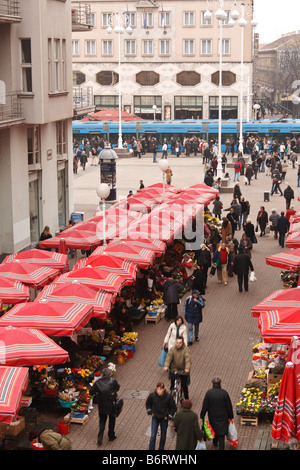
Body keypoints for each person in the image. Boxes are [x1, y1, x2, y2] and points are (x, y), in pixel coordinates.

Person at [200, 377, 234, 451]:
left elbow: (205, 405)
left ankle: (215, 442)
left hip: (213, 415)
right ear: (220, 384)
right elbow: (229, 406)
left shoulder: (209, 393)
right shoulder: (224, 393)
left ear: (213, 384)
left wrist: (202, 415)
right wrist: (231, 416)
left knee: (214, 428)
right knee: (221, 432)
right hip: (223, 416)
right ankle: (221, 447)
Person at [90, 368, 120, 446]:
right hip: (111, 404)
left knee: (102, 421)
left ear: (102, 374)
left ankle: (100, 438)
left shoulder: (97, 383)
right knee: (112, 420)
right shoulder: (113, 381)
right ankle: (111, 435)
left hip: (102, 405)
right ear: (110, 374)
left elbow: (91, 391)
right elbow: (117, 388)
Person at [146, 383, 176, 451]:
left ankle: (161, 448)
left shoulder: (168, 397)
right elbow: (148, 404)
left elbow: (173, 408)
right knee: (153, 435)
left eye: (161, 389)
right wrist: (150, 412)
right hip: (155, 417)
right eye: (158, 389)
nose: (159, 391)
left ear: (164, 389)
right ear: (156, 389)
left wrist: (168, 416)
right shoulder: (152, 395)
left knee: (163, 435)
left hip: (164, 418)